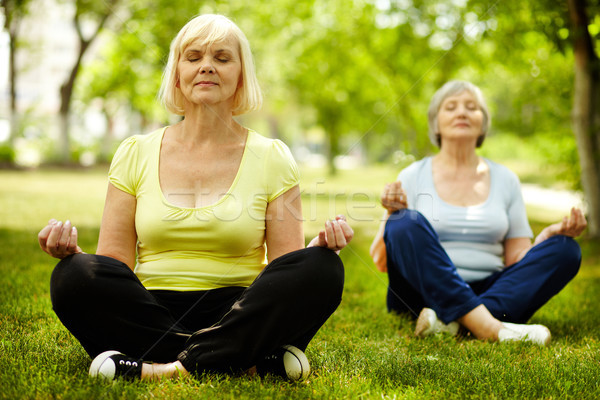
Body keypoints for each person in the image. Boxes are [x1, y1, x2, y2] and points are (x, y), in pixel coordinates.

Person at [38, 14, 353, 381]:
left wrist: (314, 249)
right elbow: (115, 262)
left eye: (222, 58)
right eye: (193, 58)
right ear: (177, 74)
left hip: (238, 308)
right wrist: (76, 259)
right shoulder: (135, 151)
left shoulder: (272, 156)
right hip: (151, 308)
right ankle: (243, 361)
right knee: (72, 275)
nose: (207, 67)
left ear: (240, 75)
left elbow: (284, 268)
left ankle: (165, 369)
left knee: (322, 268)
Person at [370, 80, 586, 346]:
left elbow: (515, 260)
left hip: (492, 289)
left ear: (483, 123)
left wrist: (545, 239)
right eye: (451, 107)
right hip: (422, 294)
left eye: (471, 107)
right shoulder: (412, 175)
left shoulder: (506, 179)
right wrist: (392, 214)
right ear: (435, 123)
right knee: (403, 222)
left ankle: (451, 323)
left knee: (565, 250)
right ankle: (489, 327)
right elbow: (381, 261)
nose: (462, 112)